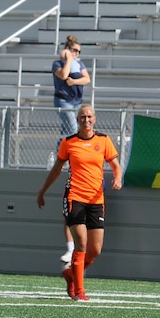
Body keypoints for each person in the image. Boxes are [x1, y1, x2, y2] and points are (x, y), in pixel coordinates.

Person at [36, 105, 123, 302]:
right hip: (74, 197)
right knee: (81, 243)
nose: (86, 120)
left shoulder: (104, 140)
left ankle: (70, 275)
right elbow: (57, 169)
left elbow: (116, 166)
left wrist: (117, 179)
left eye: (89, 116)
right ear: (77, 120)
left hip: (96, 199)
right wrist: (42, 191)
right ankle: (79, 291)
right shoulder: (69, 143)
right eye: (82, 117)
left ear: (95, 119)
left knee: (95, 250)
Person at [52, 35, 91, 263]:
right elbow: (64, 75)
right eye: (74, 50)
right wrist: (67, 59)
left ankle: (62, 155)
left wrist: (75, 82)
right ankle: (64, 156)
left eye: (78, 51)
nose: (77, 54)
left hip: (75, 100)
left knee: (71, 131)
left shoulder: (80, 63)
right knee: (69, 130)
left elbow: (85, 78)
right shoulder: (59, 63)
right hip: (64, 101)